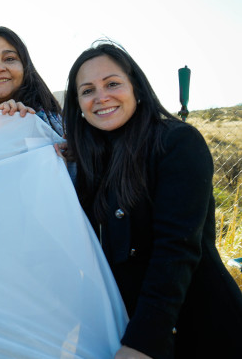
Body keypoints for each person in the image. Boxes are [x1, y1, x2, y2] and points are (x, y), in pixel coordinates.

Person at [63, 42, 242, 359]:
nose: (101, 97)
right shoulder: (87, 160)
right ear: (78, 104)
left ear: (137, 89)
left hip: (196, 327)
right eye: (87, 90)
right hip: (124, 327)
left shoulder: (177, 142)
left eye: (112, 83)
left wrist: (142, 343)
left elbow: (176, 249)